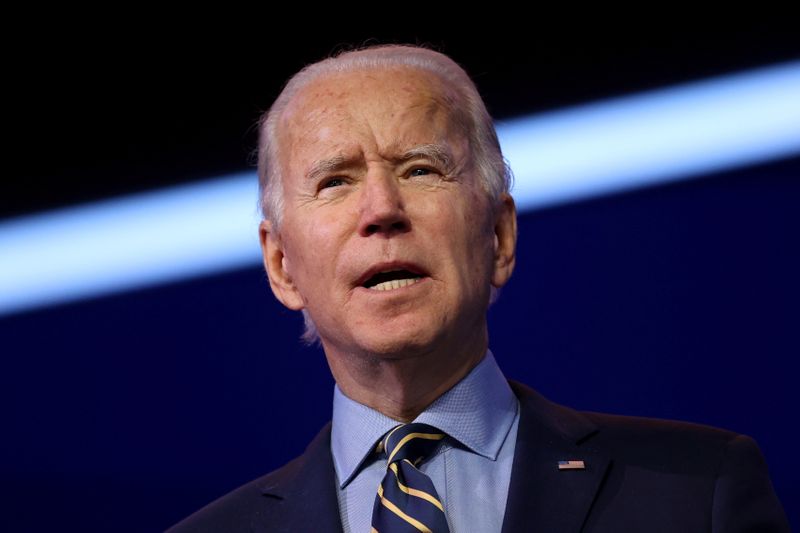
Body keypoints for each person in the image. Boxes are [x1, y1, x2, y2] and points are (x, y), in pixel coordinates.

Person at [168, 44, 789, 532]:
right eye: (335, 181)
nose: (382, 208)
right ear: (280, 265)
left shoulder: (696, 492)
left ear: (499, 234)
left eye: (421, 169)